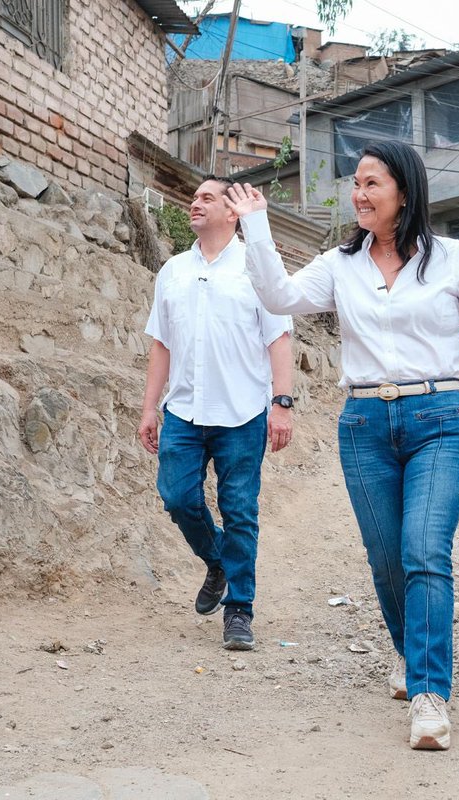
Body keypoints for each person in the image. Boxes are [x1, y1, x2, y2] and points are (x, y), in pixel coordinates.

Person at [223, 140, 459, 751]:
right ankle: (409, 648)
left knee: (424, 550)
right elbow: (279, 298)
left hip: (440, 416)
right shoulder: (341, 264)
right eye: (357, 184)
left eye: (372, 183)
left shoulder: (452, 259)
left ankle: (428, 693)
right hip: (364, 422)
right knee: (387, 557)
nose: (359, 194)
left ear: (404, 191)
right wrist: (256, 226)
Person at [137, 175, 295, 652]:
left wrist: (282, 403)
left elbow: (279, 338)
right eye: (194, 196)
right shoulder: (173, 271)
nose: (194, 202)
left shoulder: (256, 267)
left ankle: (240, 611)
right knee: (177, 497)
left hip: (242, 412)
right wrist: (149, 407)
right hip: (183, 410)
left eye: (206, 197)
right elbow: (161, 344)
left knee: (240, 511)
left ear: (232, 212)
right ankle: (219, 561)